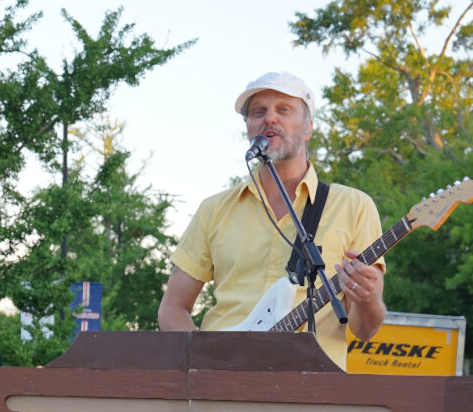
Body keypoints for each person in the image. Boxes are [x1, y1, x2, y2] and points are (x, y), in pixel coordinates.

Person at [158, 71, 385, 367]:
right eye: (258, 112)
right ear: (248, 127)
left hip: (314, 383)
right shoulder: (213, 209)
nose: (270, 118)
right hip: (221, 380)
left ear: (308, 128)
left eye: (284, 110)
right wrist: (203, 364)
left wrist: (367, 298)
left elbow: (365, 331)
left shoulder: (354, 206)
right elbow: (172, 309)